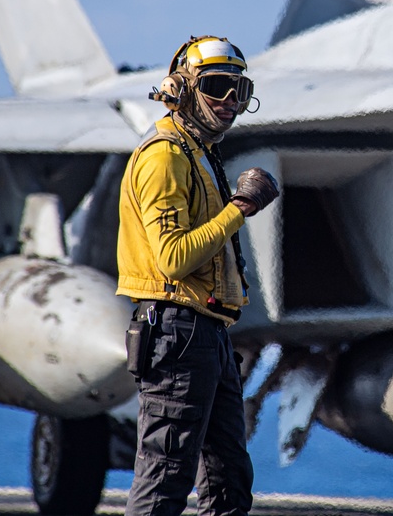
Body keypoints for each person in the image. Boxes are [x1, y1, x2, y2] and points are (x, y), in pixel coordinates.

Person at [117, 35, 280, 516]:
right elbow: (172, 258)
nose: (229, 103)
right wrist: (240, 209)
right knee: (166, 475)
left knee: (228, 479)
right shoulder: (165, 157)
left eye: (238, 89)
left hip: (206, 333)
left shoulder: (198, 153)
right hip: (178, 331)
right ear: (182, 88)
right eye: (215, 87)